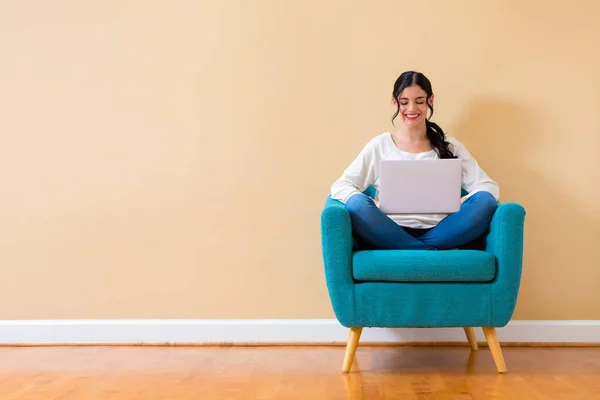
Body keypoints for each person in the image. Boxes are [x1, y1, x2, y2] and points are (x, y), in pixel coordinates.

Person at [330, 71, 499, 251]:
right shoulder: (380, 145)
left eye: (419, 101)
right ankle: (427, 250)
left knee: (485, 200)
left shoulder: (450, 147)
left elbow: (489, 187)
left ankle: (414, 248)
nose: (412, 109)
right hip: (389, 229)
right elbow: (340, 186)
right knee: (356, 203)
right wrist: (378, 204)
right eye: (404, 102)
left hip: (443, 230)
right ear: (395, 102)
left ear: (430, 101)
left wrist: (463, 200)